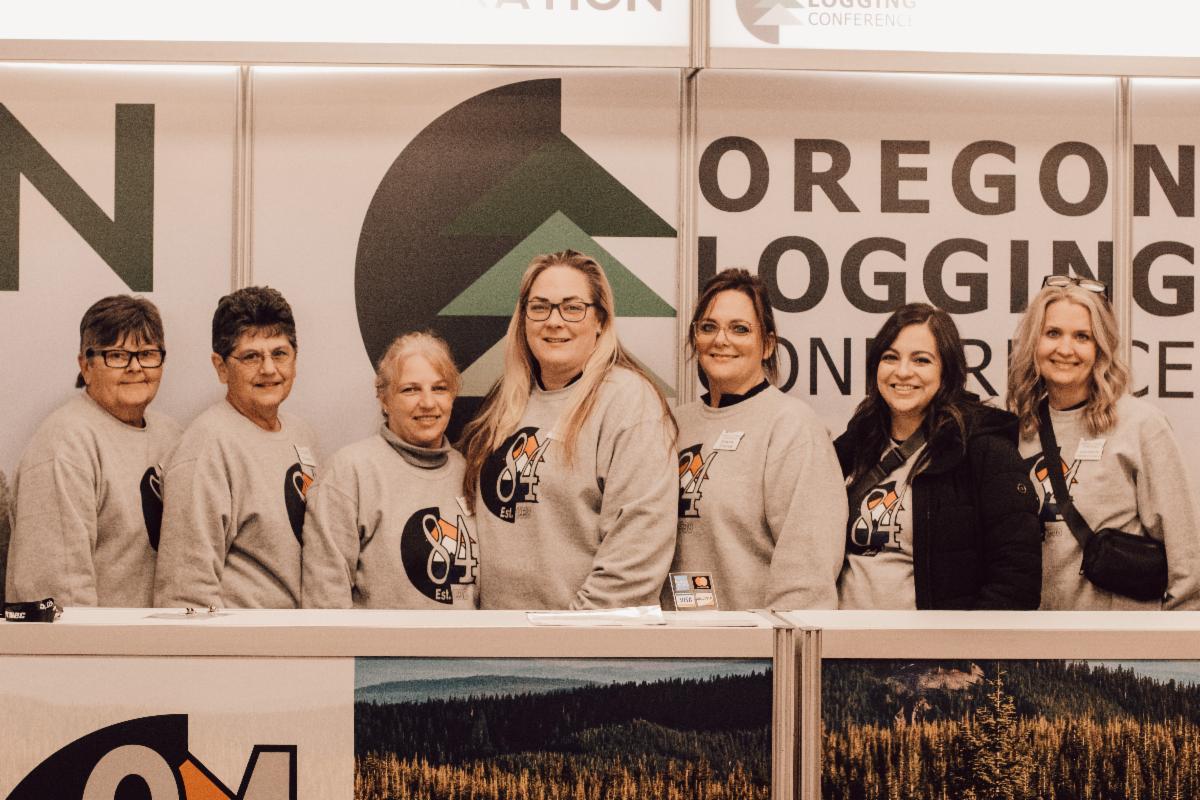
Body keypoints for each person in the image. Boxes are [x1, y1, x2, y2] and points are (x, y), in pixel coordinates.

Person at [459, 249, 677, 610]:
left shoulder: (627, 401)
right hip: (497, 635)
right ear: (523, 319)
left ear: (600, 321)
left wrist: (573, 634)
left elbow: (636, 555)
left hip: (577, 639)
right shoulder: (508, 400)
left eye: (573, 308)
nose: (554, 321)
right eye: (540, 307)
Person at [1009, 276, 1200, 609]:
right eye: (1052, 333)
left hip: (1119, 635)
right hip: (1040, 633)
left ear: (1100, 347)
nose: (1065, 349)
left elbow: (1186, 559)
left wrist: (1168, 635)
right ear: (1033, 343)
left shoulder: (1141, 425)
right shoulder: (1017, 430)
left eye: (1082, 336)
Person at [834, 302, 1040, 609]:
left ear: (947, 371)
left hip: (933, 640)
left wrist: (956, 640)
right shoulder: (857, 442)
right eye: (890, 357)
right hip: (843, 636)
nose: (903, 372)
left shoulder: (984, 450)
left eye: (921, 360)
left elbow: (1016, 582)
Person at [668, 269, 845, 610]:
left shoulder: (791, 426)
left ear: (767, 345)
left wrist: (780, 639)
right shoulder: (674, 425)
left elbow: (807, 570)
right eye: (709, 327)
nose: (721, 340)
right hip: (674, 636)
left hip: (753, 639)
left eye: (740, 329)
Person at [6, 296, 181, 607]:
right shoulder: (64, 446)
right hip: (96, 637)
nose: (135, 367)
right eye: (117, 355)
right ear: (85, 366)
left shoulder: (173, 436)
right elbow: (58, 595)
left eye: (147, 354)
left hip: (163, 635)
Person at [154, 286, 318, 609]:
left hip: (295, 636)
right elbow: (185, 593)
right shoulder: (206, 447)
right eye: (251, 357)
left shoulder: (302, 435)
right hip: (244, 640)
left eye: (279, 353)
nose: (269, 369)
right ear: (221, 367)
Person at [302, 332, 477, 608]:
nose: (428, 403)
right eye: (410, 390)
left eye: (439, 388)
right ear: (384, 399)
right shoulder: (350, 471)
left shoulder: (466, 472)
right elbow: (325, 597)